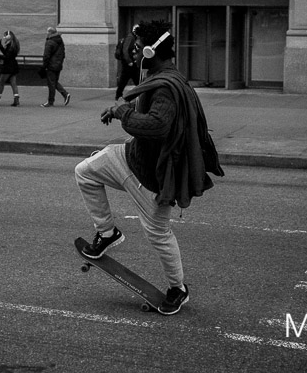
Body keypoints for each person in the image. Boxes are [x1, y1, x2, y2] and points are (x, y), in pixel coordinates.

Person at [74, 20, 224, 315]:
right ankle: (107, 233)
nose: (133, 51)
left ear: (149, 50)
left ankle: (177, 289)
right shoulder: (161, 77)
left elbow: (157, 126)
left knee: (159, 234)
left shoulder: (166, 87)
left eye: (137, 45)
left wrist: (123, 112)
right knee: (85, 171)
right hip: (130, 158)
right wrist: (122, 109)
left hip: (152, 178)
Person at [41, 26, 70, 107]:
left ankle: (50, 101)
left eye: (47, 32)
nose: (46, 33)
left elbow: (46, 55)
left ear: (50, 33)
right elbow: (63, 54)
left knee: (51, 83)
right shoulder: (60, 41)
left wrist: (44, 66)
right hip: (58, 65)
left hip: (51, 65)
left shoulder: (50, 42)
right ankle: (65, 94)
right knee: (54, 82)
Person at [0, 30, 20, 106]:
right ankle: (16, 99)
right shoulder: (13, 44)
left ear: (9, 36)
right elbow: (6, 53)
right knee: (13, 83)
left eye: (5, 36)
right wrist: (0, 45)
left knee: (1, 83)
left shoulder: (10, 45)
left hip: (8, 66)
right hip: (13, 66)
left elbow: (6, 57)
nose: (4, 38)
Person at [114, 24, 140, 102]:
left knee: (126, 79)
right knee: (133, 78)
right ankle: (141, 92)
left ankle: (118, 94)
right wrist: (129, 61)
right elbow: (125, 50)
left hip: (129, 62)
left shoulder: (132, 37)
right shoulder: (130, 38)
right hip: (128, 63)